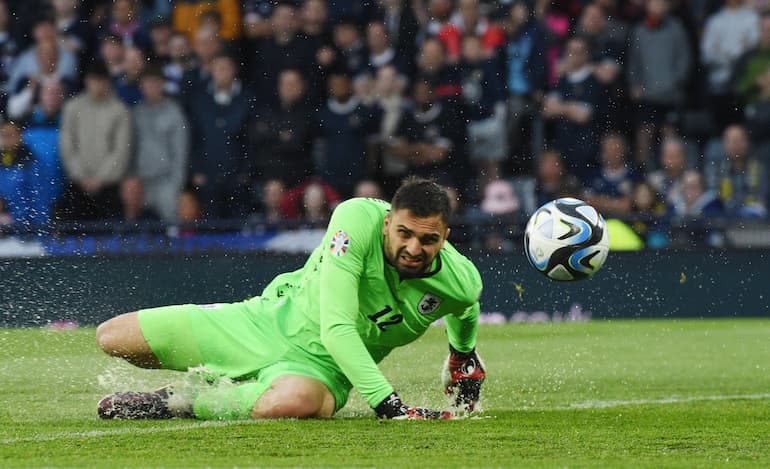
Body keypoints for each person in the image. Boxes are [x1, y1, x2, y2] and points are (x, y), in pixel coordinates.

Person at [96, 177, 486, 421]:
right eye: (404, 233)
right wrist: (389, 404)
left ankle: (180, 402)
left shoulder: (460, 281)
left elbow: (465, 306)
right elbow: (337, 328)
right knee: (112, 338)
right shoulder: (355, 220)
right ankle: (230, 376)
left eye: (428, 239)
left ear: (445, 237)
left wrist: (462, 355)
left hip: (321, 371)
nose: (413, 248)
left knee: (294, 401)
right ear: (387, 223)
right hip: (263, 323)